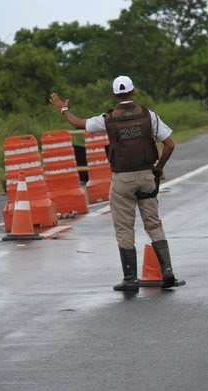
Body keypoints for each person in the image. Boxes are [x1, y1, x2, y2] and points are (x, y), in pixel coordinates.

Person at [50, 76, 178, 292]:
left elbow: (78, 123)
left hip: (122, 180)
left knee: (124, 229)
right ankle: (167, 271)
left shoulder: (107, 118)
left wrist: (63, 109)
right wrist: (157, 168)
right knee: (153, 224)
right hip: (146, 176)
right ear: (133, 91)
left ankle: (130, 279)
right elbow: (170, 144)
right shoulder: (149, 116)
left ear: (114, 95)